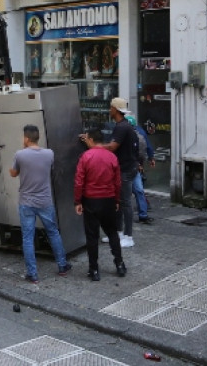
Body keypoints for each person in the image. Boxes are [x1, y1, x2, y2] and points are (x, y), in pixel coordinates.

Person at [9, 124, 71, 284]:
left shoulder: (20, 155)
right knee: (53, 232)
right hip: (45, 201)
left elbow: (13, 173)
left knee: (28, 237)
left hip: (26, 202)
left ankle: (32, 274)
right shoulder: (49, 154)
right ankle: (62, 265)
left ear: (27, 138)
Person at [81, 97, 139, 248]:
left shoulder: (121, 127)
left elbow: (113, 147)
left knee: (125, 203)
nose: (109, 110)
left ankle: (128, 236)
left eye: (111, 108)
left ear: (115, 110)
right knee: (117, 201)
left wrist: (93, 146)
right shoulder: (122, 126)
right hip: (125, 168)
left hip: (126, 169)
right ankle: (118, 232)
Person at [74, 127, 126, 281]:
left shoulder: (85, 157)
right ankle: (120, 264)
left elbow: (79, 182)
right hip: (109, 199)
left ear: (90, 139)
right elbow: (117, 182)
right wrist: (117, 200)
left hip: (90, 200)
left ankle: (94, 270)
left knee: (92, 236)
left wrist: (77, 201)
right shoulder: (112, 157)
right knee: (112, 233)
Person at [125, 114, 155, 224]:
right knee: (139, 190)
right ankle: (143, 214)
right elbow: (148, 146)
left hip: (131, 167)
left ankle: (140, 214)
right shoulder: (140, 131)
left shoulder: (126, 134)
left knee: (132, 191)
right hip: (135, 166)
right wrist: (151, 158)